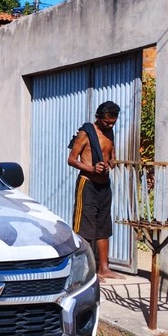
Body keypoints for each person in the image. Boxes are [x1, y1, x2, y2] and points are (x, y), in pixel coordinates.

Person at [67, 101, 122, 280]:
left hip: (104, 185)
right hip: (88, 183)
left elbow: (112, 156)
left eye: (113, 123)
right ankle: (85, 270)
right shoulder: (86, 133)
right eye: (107, 122)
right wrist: (92, 169)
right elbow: (72, 159)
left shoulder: (110, 131)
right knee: (85, 228)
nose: (110, 125)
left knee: (103, 227)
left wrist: (111, 164)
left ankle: (104, 268)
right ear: (98, 117)